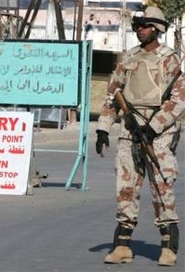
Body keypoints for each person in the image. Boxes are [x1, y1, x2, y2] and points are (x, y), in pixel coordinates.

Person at [95, 6, 184, 266]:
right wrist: (103, 126)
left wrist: (155, 125)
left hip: (160, 132)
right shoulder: (128, 58)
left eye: (144, 25)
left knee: (161, 184)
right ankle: (122, 245)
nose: (140, 30)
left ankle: (168, 247)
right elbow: (114, 93)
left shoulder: (169, 59)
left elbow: (180, 98)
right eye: (137, 26)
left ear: (157, 28)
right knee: (125, 187)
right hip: (130, 128)